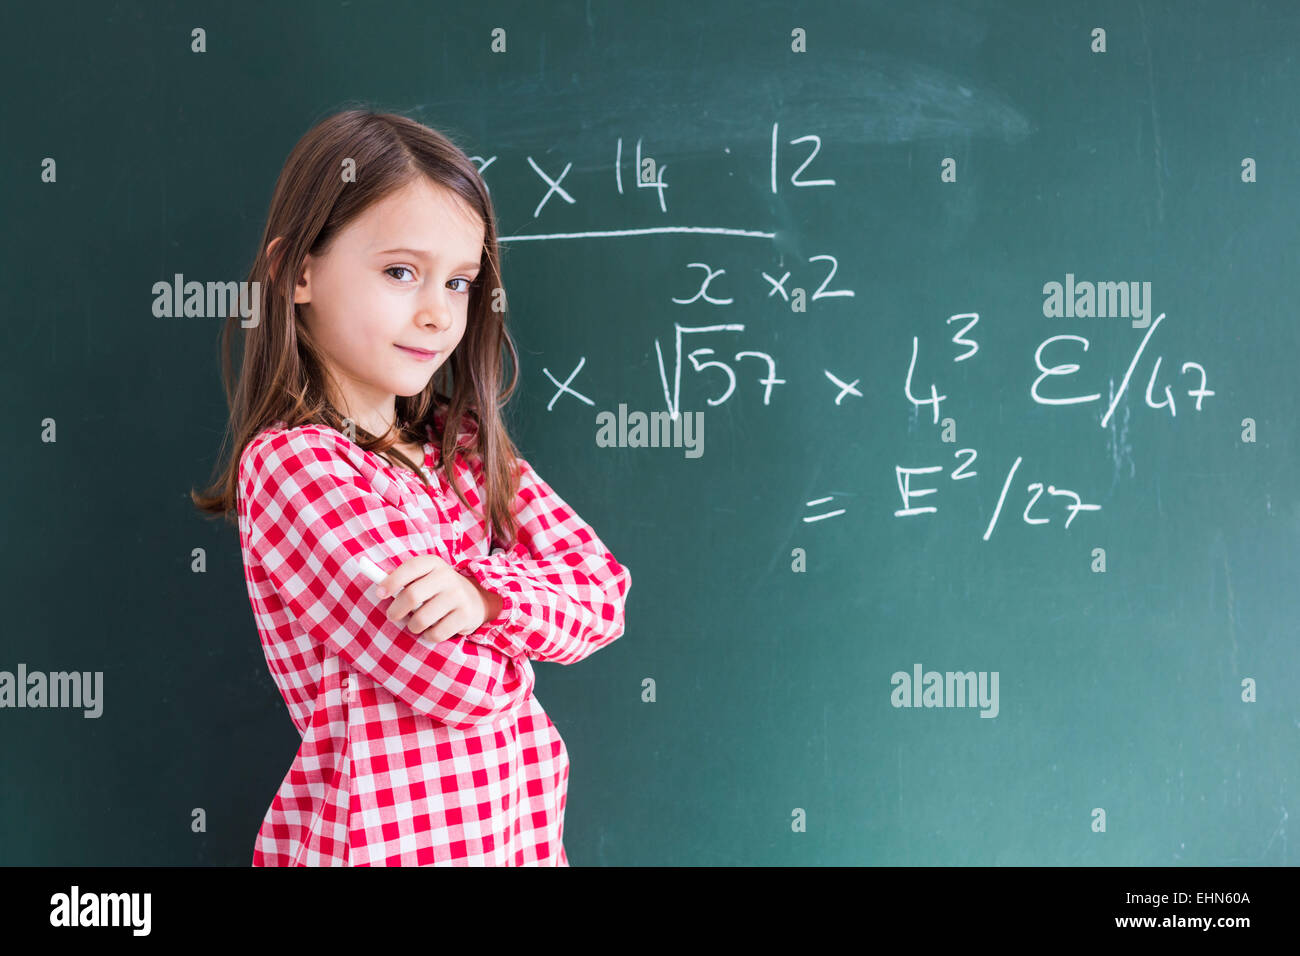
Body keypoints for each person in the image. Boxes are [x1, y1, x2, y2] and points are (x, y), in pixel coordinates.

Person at [191, 109, 631, 866]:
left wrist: (485, 597)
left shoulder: (460, 448)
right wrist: (523, 622)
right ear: (298, 273)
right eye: (401, 271)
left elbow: (602, 594)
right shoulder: (296, 467)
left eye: (460, 283)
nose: (436, 312)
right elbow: (463, 681)